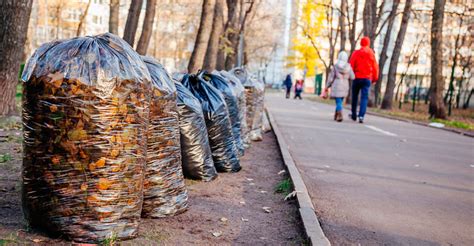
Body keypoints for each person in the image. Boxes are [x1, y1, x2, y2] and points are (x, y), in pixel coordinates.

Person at [349, 36, 379, 123]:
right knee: (364, 97)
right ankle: (361, 116)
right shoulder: (371, 54)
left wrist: (351, 75)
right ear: (368, 43)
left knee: (354, 96)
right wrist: (374, 79)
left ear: (361, 43)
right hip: (367, 78)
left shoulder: (356, 53)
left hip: (357, 77)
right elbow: (375, 67)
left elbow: (351, 65)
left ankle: (354, 114)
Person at [325, 51, 355, 122]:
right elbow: (353, 77)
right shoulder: (348, 67)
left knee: (338, 101)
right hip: (345, 85)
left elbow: (331, 78)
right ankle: (336, 114)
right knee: (340, 101)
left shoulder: (335, 66)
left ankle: (339, 115)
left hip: (336, 85)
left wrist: (327, 86)